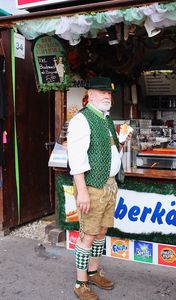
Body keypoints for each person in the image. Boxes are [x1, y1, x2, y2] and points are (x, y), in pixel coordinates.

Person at [67, 76, 126, 300]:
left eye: (109, 93)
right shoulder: (81, 120)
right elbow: (77, 159)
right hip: (91, 186)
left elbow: (109, 151)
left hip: (109, 185)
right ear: (90, 95)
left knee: (101, 232)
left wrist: (122, 144)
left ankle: (93, 272)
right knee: (88, 235)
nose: (107, 96)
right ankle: (80, 283)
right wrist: (81, 191)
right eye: (102, 93)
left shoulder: (106, 118)